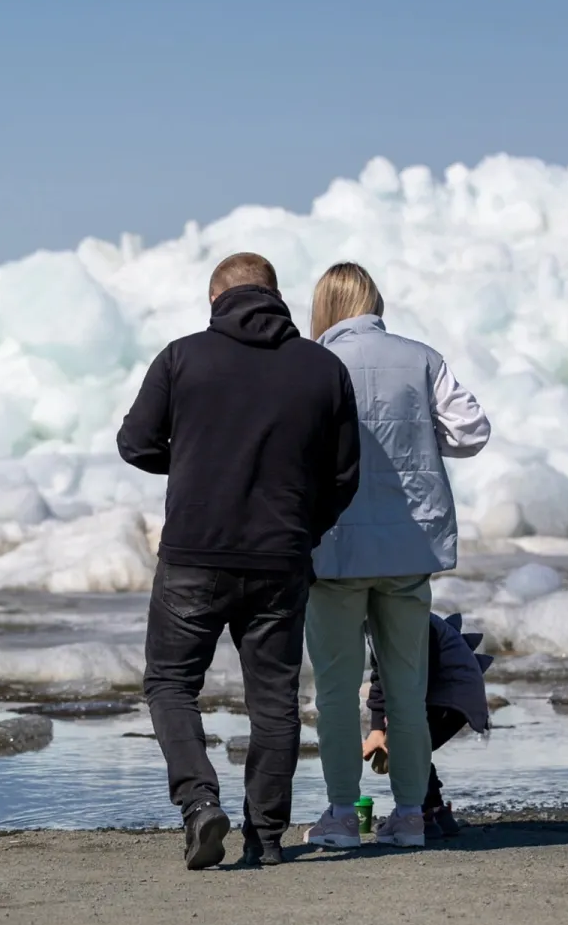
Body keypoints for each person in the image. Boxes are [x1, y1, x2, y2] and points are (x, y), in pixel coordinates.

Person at [118, 252, 360, 870]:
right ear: (275, 296)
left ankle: (201, 804)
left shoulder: (182, 357)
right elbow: (343, 477)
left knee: (171, 683)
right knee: (274, 699)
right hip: (281, 557)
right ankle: (268, 837)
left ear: (214, 300)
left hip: (195, 554)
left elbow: (135, 443)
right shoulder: (322, 368)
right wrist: (305, 528)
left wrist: (200, 457)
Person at [301, 262, 490, 851]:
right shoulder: (422, 357)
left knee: (335, 689)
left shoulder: (315, 365)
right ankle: (410, 815)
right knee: (406, 685)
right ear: (374, 301)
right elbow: (470, 432)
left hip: (336, 548)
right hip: (409, 547)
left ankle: (339, 814)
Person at [361, 612, 495, 838]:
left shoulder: (410, 620)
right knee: (411, 747)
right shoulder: (376, 623)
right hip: (438, 688)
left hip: (452, 693)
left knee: (408, 745)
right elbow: (380, 674)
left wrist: (396, 720)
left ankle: (423, 816)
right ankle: (437, 812)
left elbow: (422, 673)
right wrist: (377, 727)